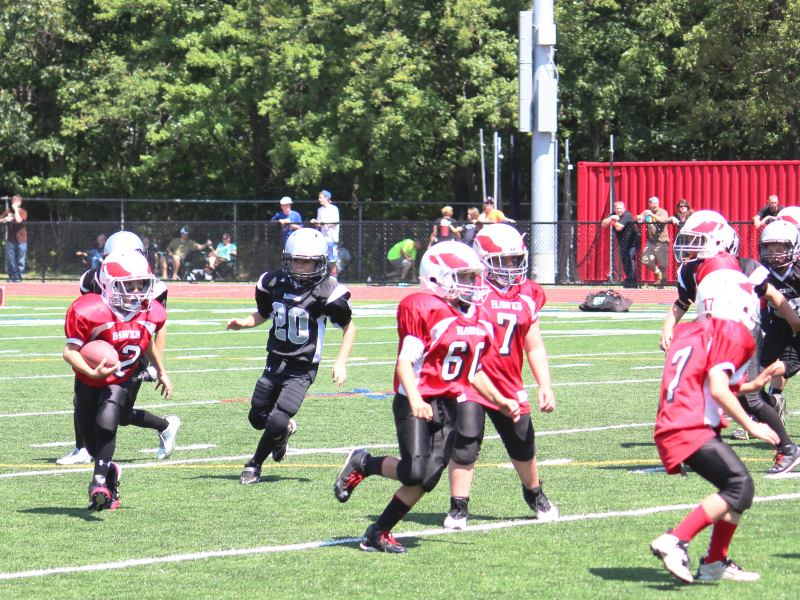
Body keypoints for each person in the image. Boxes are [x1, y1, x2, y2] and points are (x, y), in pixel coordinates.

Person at [332, 241, 520, 554]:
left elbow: (473, 373)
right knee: (414, 471)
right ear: (437, 278)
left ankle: (378, 532)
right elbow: (405, 363)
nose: (472, 284)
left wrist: (500, 399)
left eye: (473, 277)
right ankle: (363, 462)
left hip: (447, 403)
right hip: (414, 400)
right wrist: (417, 399)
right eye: (464, 277)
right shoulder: (426, 309)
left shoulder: (476, 317)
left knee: (429, 478)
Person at [650, 269, 780, 583]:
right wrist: (752, 424)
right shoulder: (730, 332)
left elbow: (709, 384)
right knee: (741, 486)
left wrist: (754, 385)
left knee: (737, 490)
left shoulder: (691, 331)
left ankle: (714, 563)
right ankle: (675, 539)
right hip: (689, 425)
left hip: (675, 424)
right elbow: (719, 390)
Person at [661, 211, 800, 474]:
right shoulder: (690, 270)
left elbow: (773, 296)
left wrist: (794, 324)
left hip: (743, 334)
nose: (690, 247)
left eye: (697, 240)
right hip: (712, 334)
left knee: (750, 398)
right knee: (709, 391)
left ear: (719, 241)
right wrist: (668, 326)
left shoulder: (744, 267)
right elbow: (682, 303)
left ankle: (789, 449)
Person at [443, 224, 557, 531]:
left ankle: (534, 494)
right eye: (502, 259)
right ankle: (458, 506)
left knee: (523, 444)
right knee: (465, 443)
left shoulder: (529, 293)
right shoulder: (471, 289)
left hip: (509, 382)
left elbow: (534, 345)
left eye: (515, 259)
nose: (510, 266)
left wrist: (544, 384)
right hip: (471, 380)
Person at [227, 228, 356, 485]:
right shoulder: (272, 282)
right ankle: (284, 433)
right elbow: (263, 313)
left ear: (320, 262)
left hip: (303, 366)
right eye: (296, 259)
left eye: (306, 261)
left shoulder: (327, 291)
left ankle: (254, 464)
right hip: (275, 359)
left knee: (276, 419)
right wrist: (244, 323)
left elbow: (348, 327)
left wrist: (341, 361)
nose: (299, 266)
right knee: (257, 418)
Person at [58, 231, 180, 466]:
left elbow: (154, 326)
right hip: (104, 344)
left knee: (121, 414)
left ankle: (166, 426)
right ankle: (82, 447)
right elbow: (93, 312)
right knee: (83, 396)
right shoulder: (91, 279)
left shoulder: (153, 285)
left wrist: (158, 366)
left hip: (134, 346)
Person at [756, 220, 800, 473]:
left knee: (789, 364)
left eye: (779, 248)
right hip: (777, 326)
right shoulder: (763, 273)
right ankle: (770, 406)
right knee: (757, 368)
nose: (774, 254)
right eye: (769, 249)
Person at [601, 201, 641, 288]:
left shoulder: (627, 215)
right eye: (617, 209)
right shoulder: (613, 215)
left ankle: (633, 280)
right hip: (623, 242)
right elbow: (603, 224)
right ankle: (629, 279)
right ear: (614, 209)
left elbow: (619, 227)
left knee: (630, 258)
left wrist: (613, 222)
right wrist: (611, 217)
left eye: (621, 208)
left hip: (632, 241)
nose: (619, 211)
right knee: (625, 260)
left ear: (624, 208)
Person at [637, 196, 670, 287]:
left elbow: (662, 220)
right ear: (649, 204)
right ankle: (659, 274)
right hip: (651, 241)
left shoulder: (662, 212)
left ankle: (661, 283)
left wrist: (651, 215)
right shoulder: (647, 212)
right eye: (653, 204)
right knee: (645, 260)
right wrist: (639, 217)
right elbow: (639, 219)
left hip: (662, 241)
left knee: (662, 264)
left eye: (656, 203)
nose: (655, 205)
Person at [310, 190, 340, 278]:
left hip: (332, 238)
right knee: (320, 258)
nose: (319, 199)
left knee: (332, 259)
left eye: (321, 197)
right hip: (322, 238)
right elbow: (319, 224)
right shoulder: (320, 210)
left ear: (326, 198)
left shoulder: (333, 209)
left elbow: (335, 223)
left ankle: (334, 277)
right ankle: (320, 276)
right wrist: (315, 222)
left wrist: (325, 223)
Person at [2, 195, 27, 282]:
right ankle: (12, 277)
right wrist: (5, 219)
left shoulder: (23, 212)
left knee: (21, 260)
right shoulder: (8, 211)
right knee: (10, 259)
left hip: (22, 240)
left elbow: (19, 220)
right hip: (10, 240)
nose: (14, 203)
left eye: (16, 201)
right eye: (13, 201)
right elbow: (1, 220)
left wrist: (16, 210)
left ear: (20, 203)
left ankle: (18, 277)